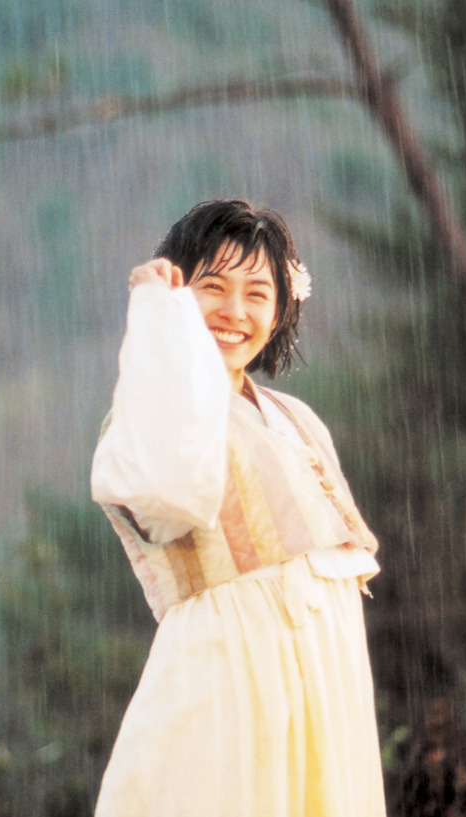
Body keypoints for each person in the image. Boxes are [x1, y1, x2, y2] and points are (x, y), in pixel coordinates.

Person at [89, 199, 385, 816]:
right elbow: (165, 498)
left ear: (281, 308)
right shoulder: (155, 408)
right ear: (179, 295)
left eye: (257, 293)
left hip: (326, 679)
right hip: (229, 673)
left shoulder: (297, 418)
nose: (235, 311)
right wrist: (157, 326)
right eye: (212, 287)